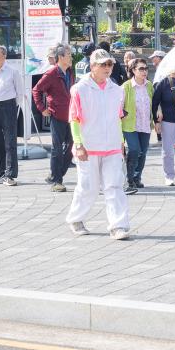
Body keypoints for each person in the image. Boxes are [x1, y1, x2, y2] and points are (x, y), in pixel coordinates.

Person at [66, 48, 131, 240]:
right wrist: (78, 144)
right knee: (88, 187)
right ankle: (76, 218)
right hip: (88, 146)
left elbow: (118, 119)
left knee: (114, 186)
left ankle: (118, 225)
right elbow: (74, 119)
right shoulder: (80, 89)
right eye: (103, 64)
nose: (107, 68)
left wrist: (121, 143)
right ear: (92, 66)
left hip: (111, 146)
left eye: (110, 64)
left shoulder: (117, 90)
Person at [33, 44, 75, 192]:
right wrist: (42, 109)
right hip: (56, 115)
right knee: (57, 149)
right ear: (61, 57)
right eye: (69, 54)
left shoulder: (70, 72)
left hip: (71, 116)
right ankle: (57, 181)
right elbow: (37, 90)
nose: (71, 57)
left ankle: (55, 175)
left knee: (72, 147)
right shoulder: (51, 73)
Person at [0, 44, 25, 186]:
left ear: (4, 57)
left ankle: (10, 174)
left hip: (8, 107)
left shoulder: (12, 72)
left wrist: (13, 107)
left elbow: (20, 93)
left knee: (10, 142)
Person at [121, 57, 153, 191]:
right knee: (134, 150)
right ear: (133, 70)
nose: (144, 71)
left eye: (146, 68)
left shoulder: (149, 85)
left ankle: (137, 177)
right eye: (141, 69)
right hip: (130, 125)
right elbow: (118, 106)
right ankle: (129, 178)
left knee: (143, 152)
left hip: (145, 124)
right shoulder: (126, 86)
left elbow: (153, 102)